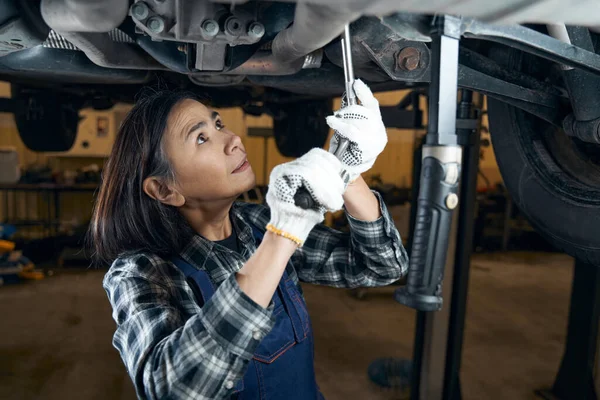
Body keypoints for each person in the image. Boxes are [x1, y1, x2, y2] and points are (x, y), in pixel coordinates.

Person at [90, 79, 409, 400]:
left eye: (219, 124)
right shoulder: (139, 273)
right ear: (164, 190)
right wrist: (283, 235)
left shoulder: (255, 223)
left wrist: (347, 172)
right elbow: (171, 389)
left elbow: (381, 266)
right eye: (202, 138)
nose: (233, 140)